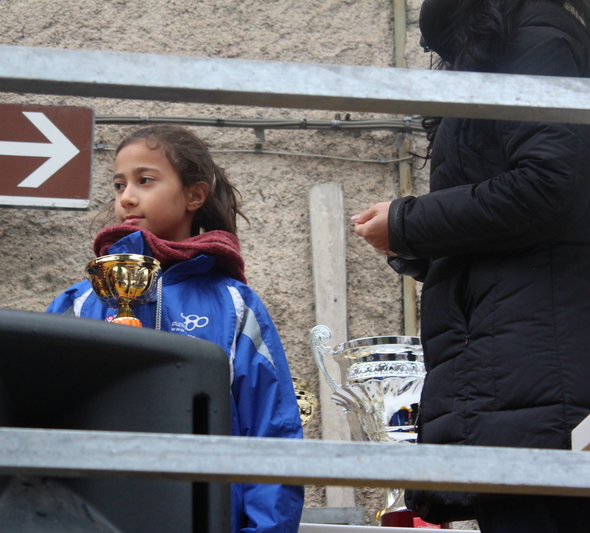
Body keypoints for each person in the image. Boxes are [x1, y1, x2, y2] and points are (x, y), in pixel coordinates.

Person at [353, 0, 590, 531]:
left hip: (543, 383)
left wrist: (411, 223)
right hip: (512, 379)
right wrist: (412, 244)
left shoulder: (537, 34)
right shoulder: (490, 44)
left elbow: (549, 186)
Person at [46, 125, 304, 533]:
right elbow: (38, 423)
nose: (127, 197)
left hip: (206, 517)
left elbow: (271, 428)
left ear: (194, 195)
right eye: (118, 185)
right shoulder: (79, 303)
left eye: (145, 181)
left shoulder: (234, 304)